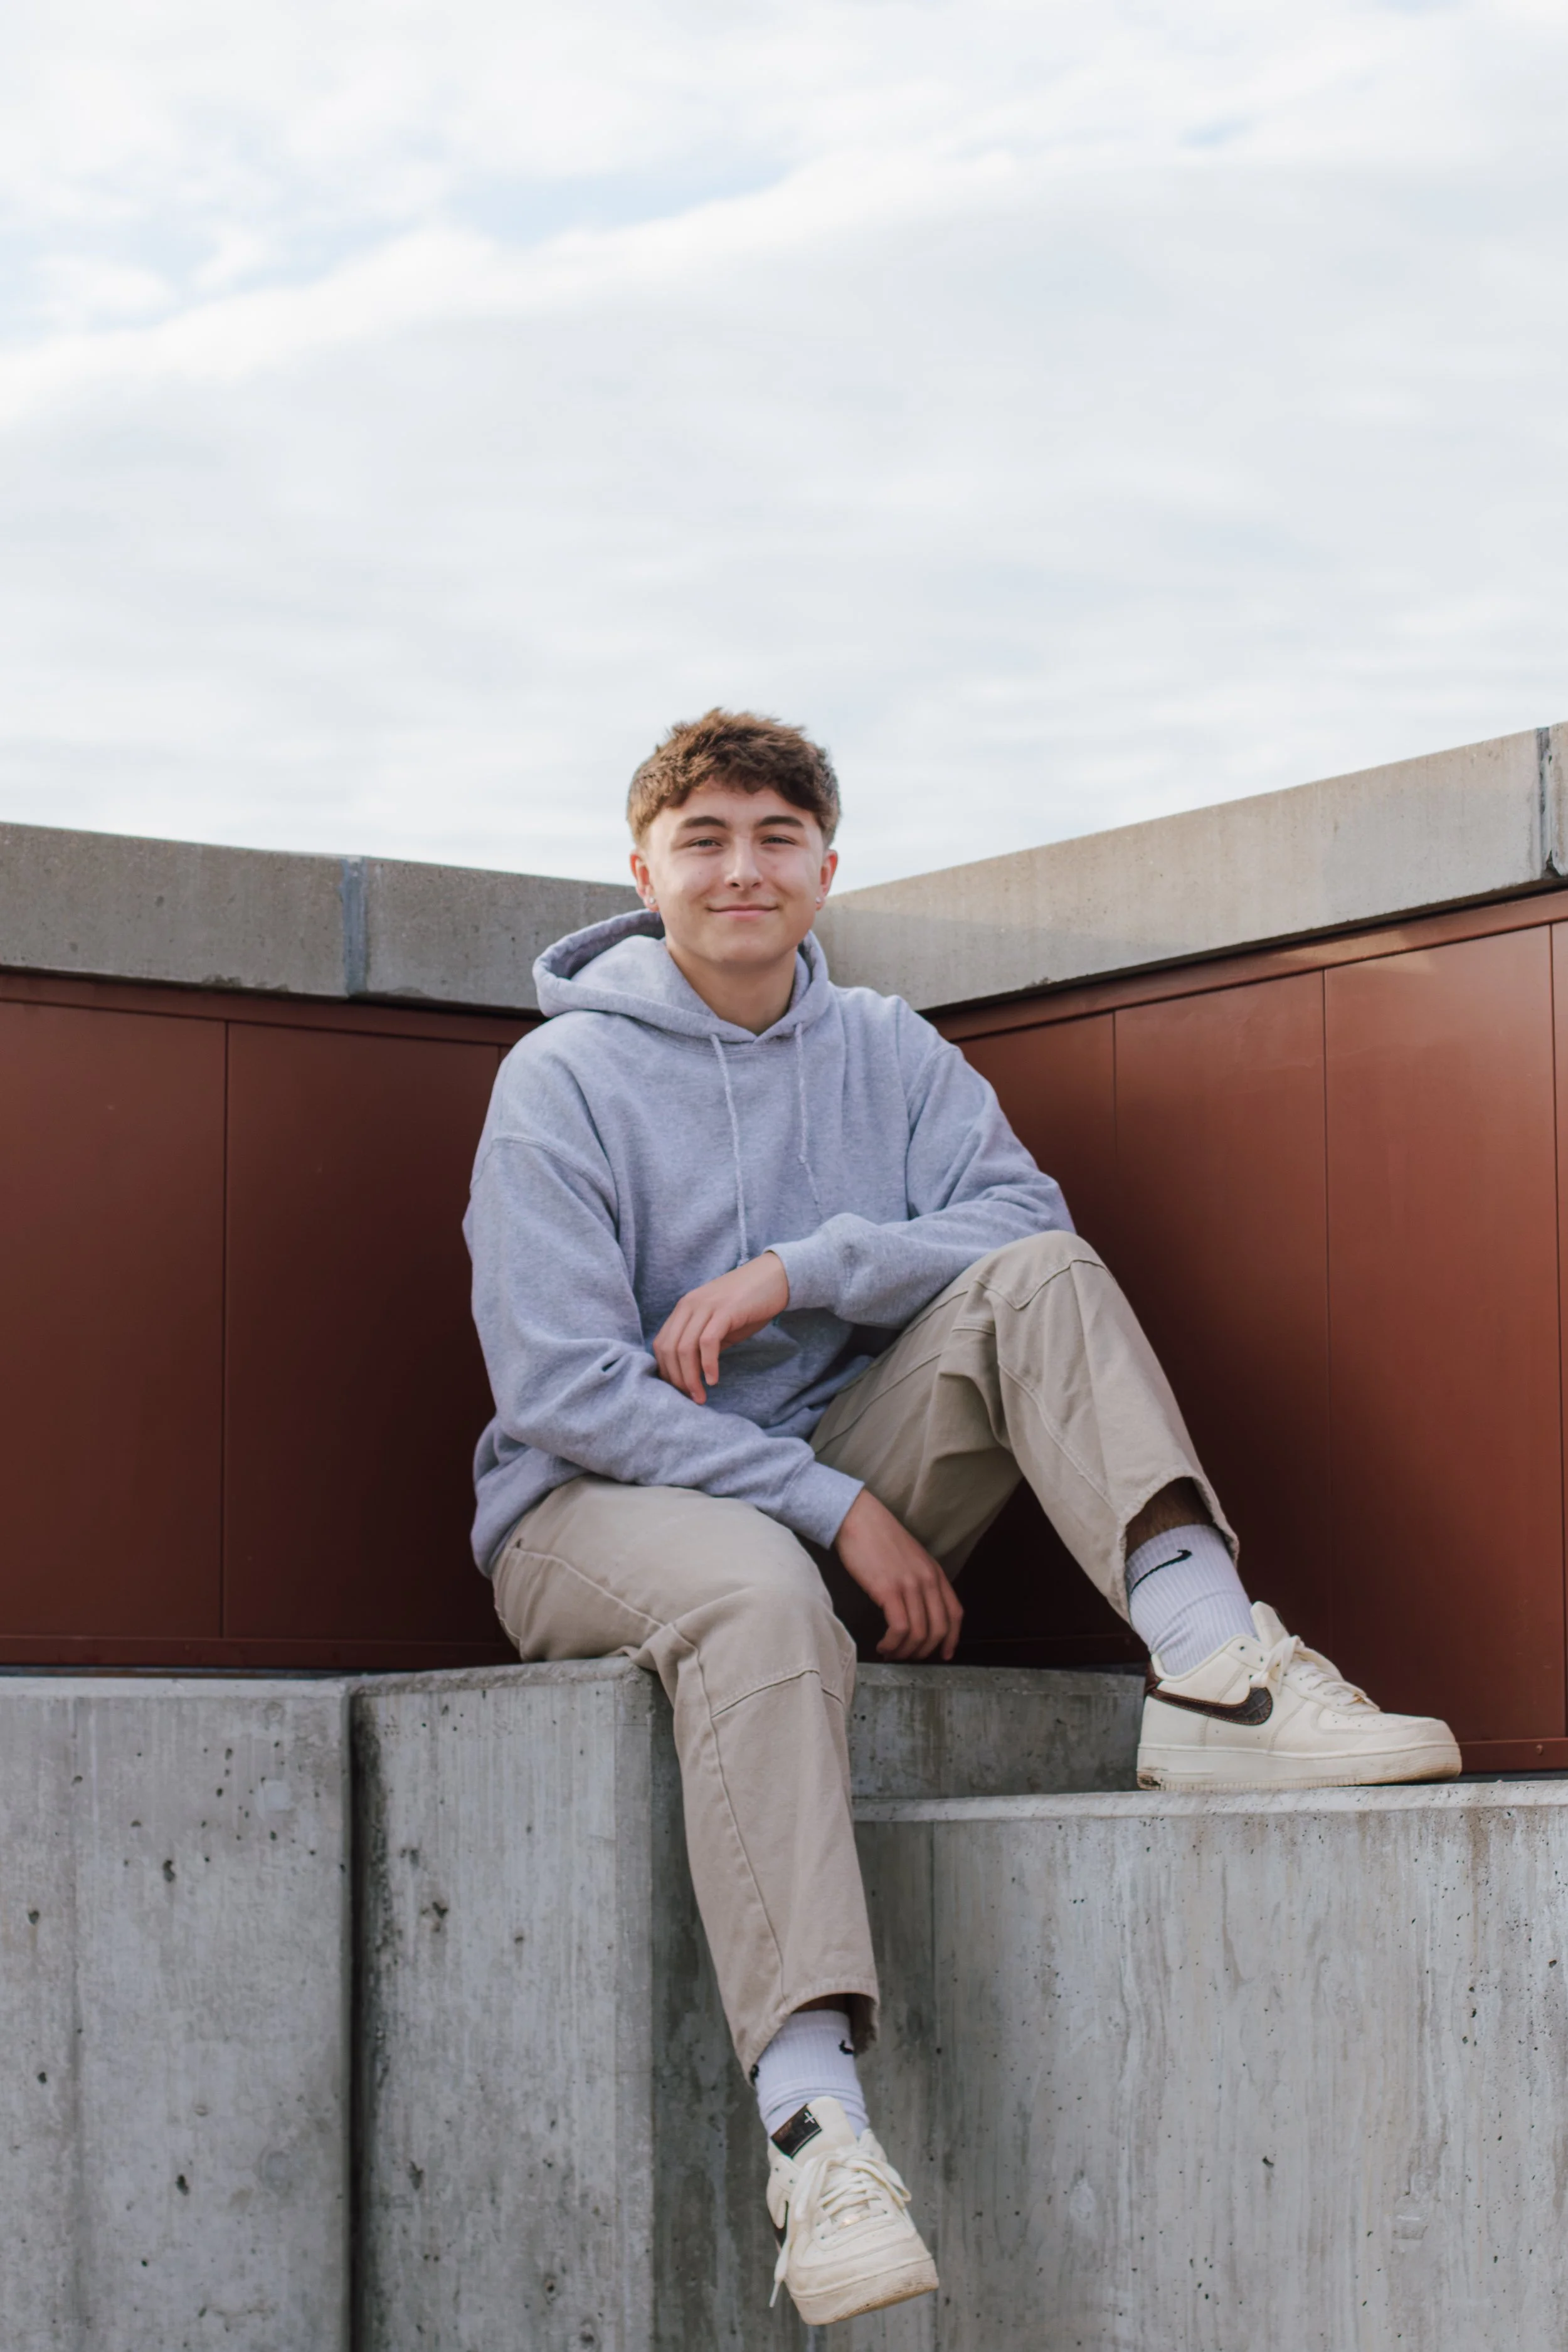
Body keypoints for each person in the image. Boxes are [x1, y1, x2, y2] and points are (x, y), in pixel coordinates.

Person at [464, 709, 1461, 2327]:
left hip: (832, 1471)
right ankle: (818, 2135)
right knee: (758, 1598)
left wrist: (805, 1268)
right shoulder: (562, 1079)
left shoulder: (885, 1046)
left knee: (1042, 1281)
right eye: (705, 840)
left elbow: (1019, 1216)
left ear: (827, 869)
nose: (743, 868)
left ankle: (1214, 1667)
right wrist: (829, 1502)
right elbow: (566, 1384)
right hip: (600, 1506)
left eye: (778, 838)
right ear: (641, 872)